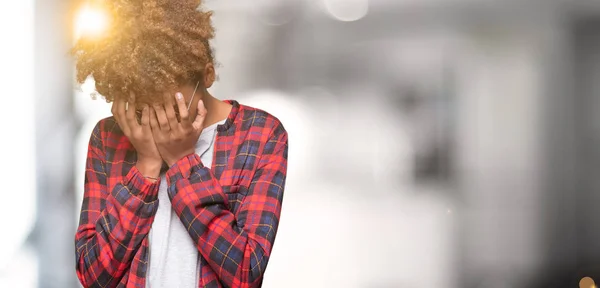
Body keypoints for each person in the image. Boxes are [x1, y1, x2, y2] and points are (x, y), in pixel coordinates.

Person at [71, 1, 288, 287]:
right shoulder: (108, 137)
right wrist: (146, 167)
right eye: (142, 109)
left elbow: (245, 273)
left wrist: (183, 162)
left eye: (170, 107)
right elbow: (93, 276)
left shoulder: (261, 135)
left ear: (207, 75)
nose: (156, 123)